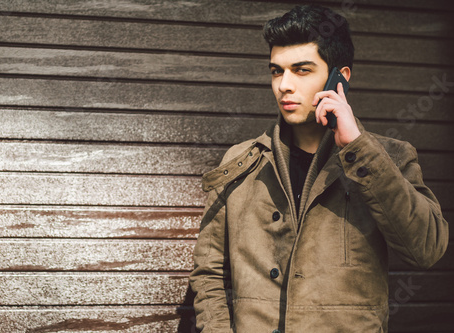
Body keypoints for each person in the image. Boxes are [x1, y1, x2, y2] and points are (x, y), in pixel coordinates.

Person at [189, 4, 449, 333]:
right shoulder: (241, 163)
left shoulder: (389, 158)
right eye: (276, 71)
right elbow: (208, 273)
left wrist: (357, 147)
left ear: (340, 77)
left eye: (301, 70)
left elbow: (426, 248)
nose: (284, 85)